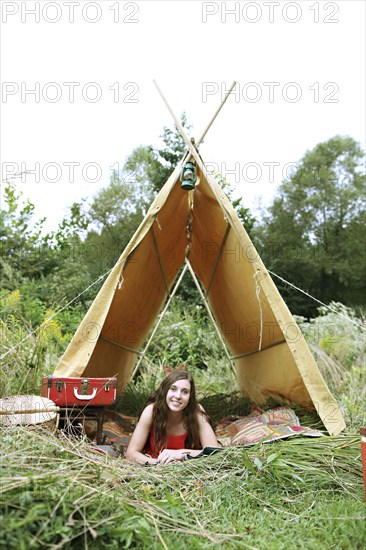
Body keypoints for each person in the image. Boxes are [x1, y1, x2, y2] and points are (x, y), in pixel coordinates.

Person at [125, 370, 219, 465]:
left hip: (190, 469)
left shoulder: (196, 412)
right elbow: (131, 454)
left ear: (190, 396)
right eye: (173, 389)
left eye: (185, 392)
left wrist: (180, 453)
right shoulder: (151, 411)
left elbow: (214, 451)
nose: (178, 396)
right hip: (155, 469)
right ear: (165, 391)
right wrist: (159, 464)